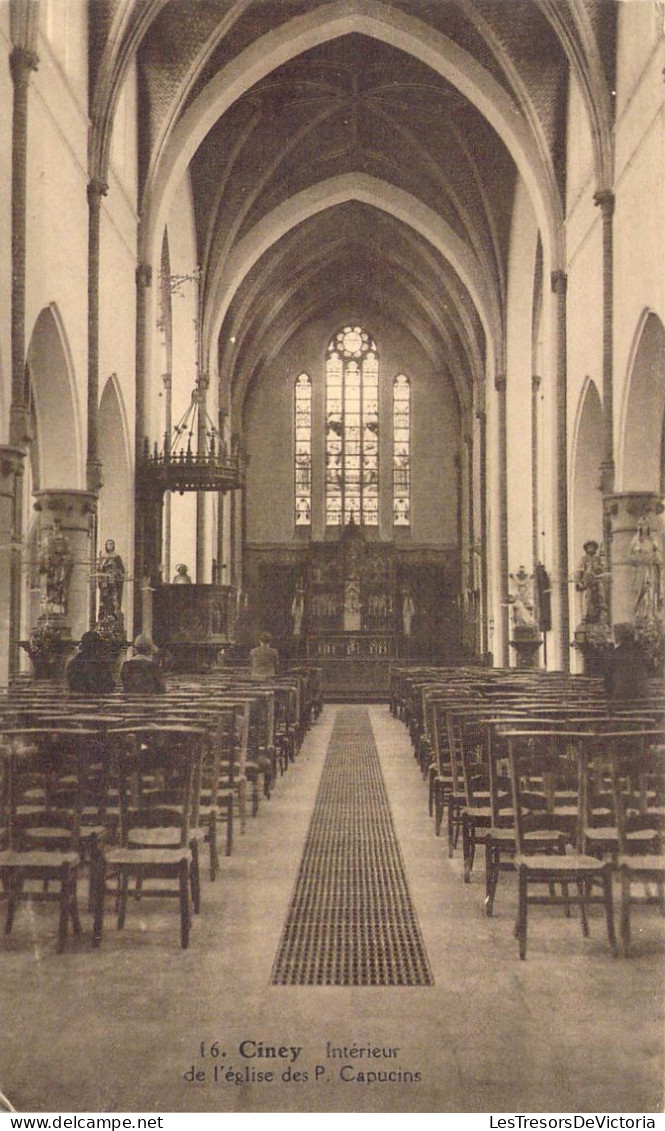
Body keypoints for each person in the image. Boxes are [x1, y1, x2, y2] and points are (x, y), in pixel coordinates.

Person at [604, 622, 650, 702]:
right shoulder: (641, 652)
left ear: (620, 636)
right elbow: (650, 671)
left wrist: (610, 694)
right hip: (641, 695)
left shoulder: (615, 653)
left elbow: (608, 679)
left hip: (620, 695)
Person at [629, 515, 663, 623]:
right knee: (642, 592)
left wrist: (656, 559)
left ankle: (651, 615)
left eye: (646, 525)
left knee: (652, 592)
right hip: (641, 570)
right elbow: (630, 556)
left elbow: (658, 554)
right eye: (642, 525)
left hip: (652, 569)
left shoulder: (653, 540)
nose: (644, 527)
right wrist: (640, 558)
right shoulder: (636, 540)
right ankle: (640, 614)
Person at [38, 518, 74, 615]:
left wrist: (64, 559)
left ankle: (58, 605)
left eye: (57, 526)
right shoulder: (47, 540)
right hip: (50, 567)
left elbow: (69, 554)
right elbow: (43, 553)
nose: (55, 528)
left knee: (59, 585)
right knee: (49, 585)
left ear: (60, 528)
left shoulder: (65, 540)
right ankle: (49, 605)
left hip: (59, 566)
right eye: (54, 526)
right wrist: (45, 560)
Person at [97, 538, 125, 618]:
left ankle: (114, 613)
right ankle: (106, 614)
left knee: (114, 598)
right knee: (105, 598)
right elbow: (100, 569)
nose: (110, 546)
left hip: (113, 580)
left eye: (111, 544)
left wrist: (116, 573)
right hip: (105, 582)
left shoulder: (117, 557)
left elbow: (121, 569)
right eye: (108, 544)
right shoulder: (103, 557)